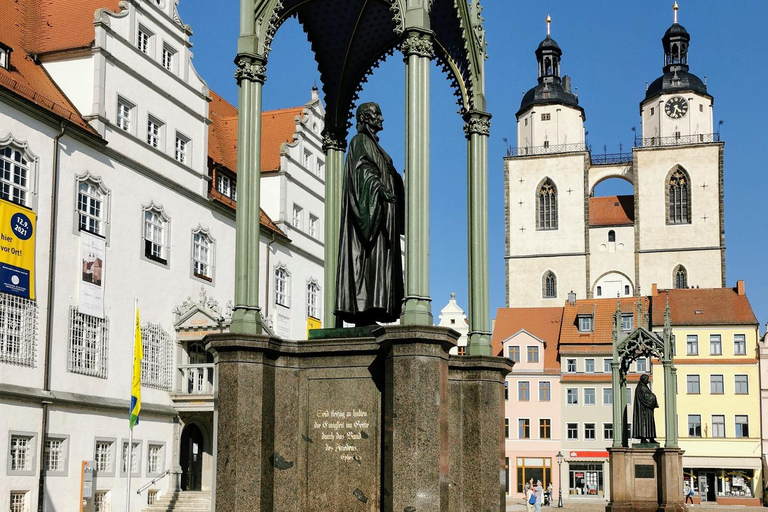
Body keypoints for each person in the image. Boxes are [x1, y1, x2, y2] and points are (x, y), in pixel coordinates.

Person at [335, 102, 405, 325]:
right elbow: (361, 173)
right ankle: (363, 311)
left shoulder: (377, 147)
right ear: (365, 118)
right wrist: (380, 188)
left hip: (383, 216)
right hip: (370, 215)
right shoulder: (359, 141)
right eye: (377, 114)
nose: (382, 119)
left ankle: (374, 310)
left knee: (380, 264)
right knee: (368, 264)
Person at [632, 373, 659, 443]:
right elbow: (646, 396)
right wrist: (653, 397)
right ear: (644, 380)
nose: (647, 381)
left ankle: (651, 437)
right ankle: (643, 438)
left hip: (647, 410)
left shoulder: (644, 386)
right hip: (643, 410)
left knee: (649, 423)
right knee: (644, 423)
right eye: (647, 379)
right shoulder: (641, 387)